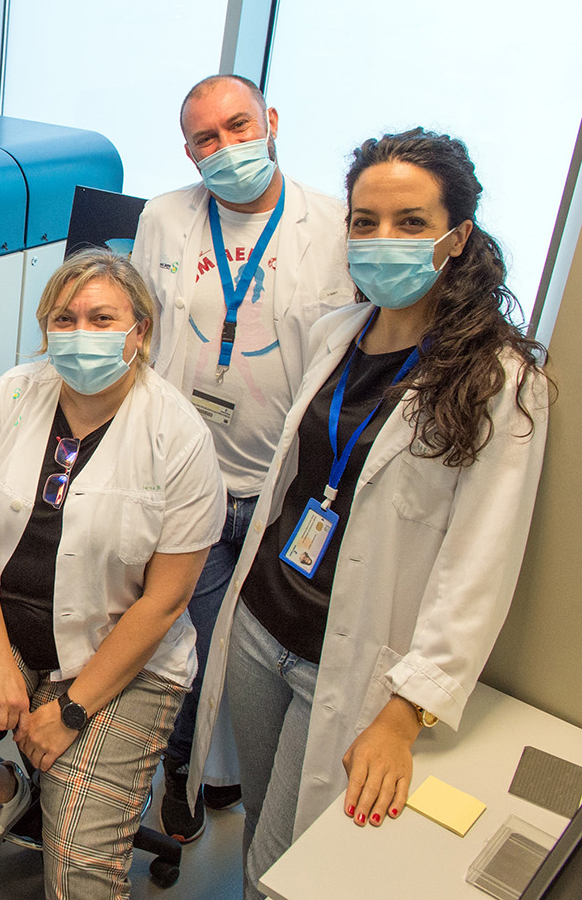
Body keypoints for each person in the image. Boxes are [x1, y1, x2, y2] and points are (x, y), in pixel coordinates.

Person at [187, 128, 552, 899]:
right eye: (364, 221)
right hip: (259, 623)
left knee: (287, 866)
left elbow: (478, 565)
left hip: (344, 659)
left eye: (410, 223)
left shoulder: (498, 382)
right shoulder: (333, 334)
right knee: (259, 823)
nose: (382, 240)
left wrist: (402, 713)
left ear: (456, 238)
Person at [0, 249, 226, 899]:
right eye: (64, 318)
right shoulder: (10, 396)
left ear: (139, 331)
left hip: (115, 653)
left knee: (80, 875)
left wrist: (69, 708)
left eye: (102, 318)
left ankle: (73, 786)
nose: (80, 332)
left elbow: (165, 600)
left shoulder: (178, 437)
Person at [129, 73, 355, 843]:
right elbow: (140, 330)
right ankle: (183, 775)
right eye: (206, 138)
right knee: (188, 643)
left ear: (272, 121)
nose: (225, 148)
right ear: (188, 152)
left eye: (238, 126)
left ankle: (230, 778)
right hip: (185, 478)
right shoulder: (163, 218)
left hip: (280, 492)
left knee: (256, 661)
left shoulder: (334, 228)